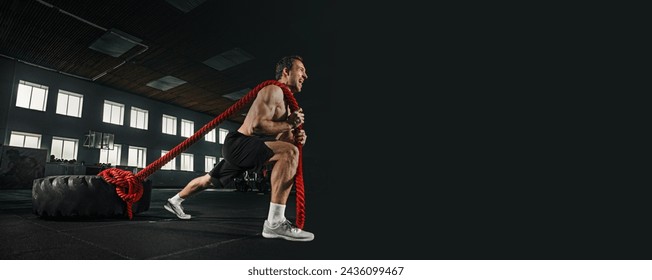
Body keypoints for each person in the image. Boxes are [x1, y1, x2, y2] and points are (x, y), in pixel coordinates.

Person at [164, 55, 314, 242]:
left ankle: (175, 201)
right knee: (290, 153)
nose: (305, 76)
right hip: (240, 143)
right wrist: (290, 127)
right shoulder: (274, 90)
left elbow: (282, 139)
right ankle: (275, 223)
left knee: (209, 181)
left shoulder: (290, 107)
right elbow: (257, 126)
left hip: (249, 149)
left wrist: (297, 137)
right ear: (286, 71)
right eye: (301, 70)